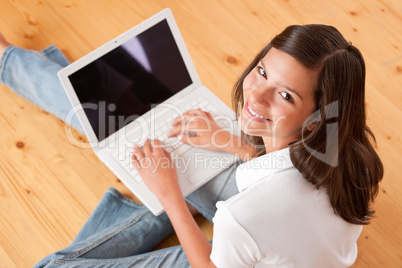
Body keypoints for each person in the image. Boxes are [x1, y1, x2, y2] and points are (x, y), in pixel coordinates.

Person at [0, 23, 383, 268]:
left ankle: (154, 204)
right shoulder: (352, 154)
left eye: (285, 95)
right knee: (120, 120)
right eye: (263, 71)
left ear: (316, 117)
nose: (256, 97)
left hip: (240, 250)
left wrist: (168, 195)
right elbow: (281, 199)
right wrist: (234, 145)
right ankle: (19, 63)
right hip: (279, 244)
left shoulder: (242, 218)